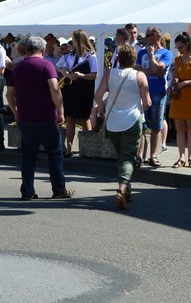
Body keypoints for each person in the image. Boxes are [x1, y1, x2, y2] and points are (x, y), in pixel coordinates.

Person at [6, 36, 73, 201]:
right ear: (43, 50)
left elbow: (9, 94)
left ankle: (27, 191)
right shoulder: (46, 65)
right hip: (45, 117)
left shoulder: (18, 68)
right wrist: (61, 112)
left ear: (27, 49)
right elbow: (55, 89)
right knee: (55, 155)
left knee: (28, 156)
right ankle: (59, 189)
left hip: (25, 117)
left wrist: (15, 112)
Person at [94, 47, 149, 211]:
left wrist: (103, 107)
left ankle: (127, 189)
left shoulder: (109, 73)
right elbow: (147, 102)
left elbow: (97, 96)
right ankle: (122, 188)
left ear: (118, 59)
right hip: (132, 120)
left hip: (113, 122)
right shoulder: (139, 75)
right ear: (134, 59)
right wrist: (140, 106)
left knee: (121, 156)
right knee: (128, 157)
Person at [136, 26, 172, 165]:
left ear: (155, 36)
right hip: (143, 91)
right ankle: (140, 156)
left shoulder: (166, 53)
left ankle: (153, 156)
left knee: (156, 125)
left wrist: (151, 57)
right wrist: (153, 70)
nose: (146, 38)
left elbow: (159, 69)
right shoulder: (141, 52)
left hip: (158, 92)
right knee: (141, 125)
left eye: (148, 35)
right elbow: (137, 69)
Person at [168, 32, 191, 168]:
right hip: (179, 94)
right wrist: (170, 86)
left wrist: (185, 83)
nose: (179, 50)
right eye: (177, 48)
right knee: (179, 127)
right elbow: (175, 76)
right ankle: (181, 157)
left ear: (187, 44)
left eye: (181, 47)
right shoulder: (178, 59)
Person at [61, 29, 100, 157]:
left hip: (84, 89)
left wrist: (81, 75)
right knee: (70, 118)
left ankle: (87, 149)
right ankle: (69, 148)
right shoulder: (70, 55)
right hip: (70, 88)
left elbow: (95, 74)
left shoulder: (91, 55)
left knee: (84, 117)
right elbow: (61, 67)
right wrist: (67, 74)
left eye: (73, 39)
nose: (71, 42)